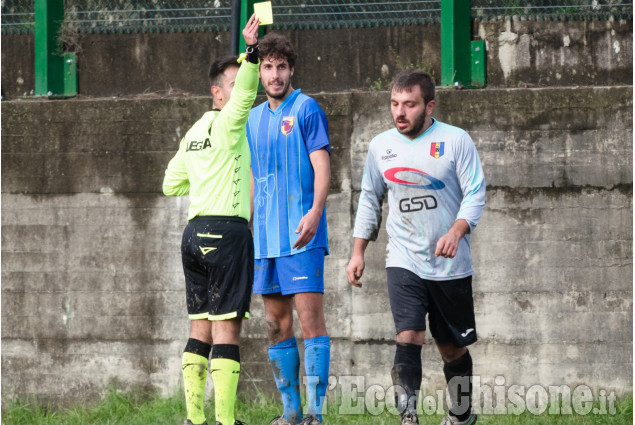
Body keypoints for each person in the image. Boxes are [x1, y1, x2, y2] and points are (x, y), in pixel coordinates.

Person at [345, 69, 485, 425]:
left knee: (451, 347)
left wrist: (456, 231)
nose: (400, 112)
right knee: (408, 334)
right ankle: (409, 417)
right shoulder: (381, 146)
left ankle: (461, 413)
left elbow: (475, 193)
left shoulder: (455, 141)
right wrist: (358, 251)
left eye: (409, 104)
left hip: (450, 264)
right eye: (394, 104)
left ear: (429, 105)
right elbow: (370, 199)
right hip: (403, 258)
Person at [162, 15, 261, 425]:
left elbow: (171, 184)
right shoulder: (229, 124)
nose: (240, 93)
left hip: (193, 234)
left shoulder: (194, 132)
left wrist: (206, 181)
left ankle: (193, 420)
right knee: (227, 331)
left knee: (199, 326)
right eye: (233, 86)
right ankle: (224, 421)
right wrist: (252, 52)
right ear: (217, 93)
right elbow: (247, 95)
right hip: (226, 233)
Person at [246, 33, 331, 425]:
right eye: (267, 67)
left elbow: (321, 166)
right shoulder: (253, 117)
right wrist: (247, 226)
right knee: (275, 325)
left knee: (310, 321)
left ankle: (315, 413)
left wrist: (315, 212)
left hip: (301, 234)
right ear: (260, 71)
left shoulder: (307, 108)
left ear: (291, 69)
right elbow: (252, 174)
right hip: (265, 239)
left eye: (281, 66)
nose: (275, 74)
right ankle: (290, 413)